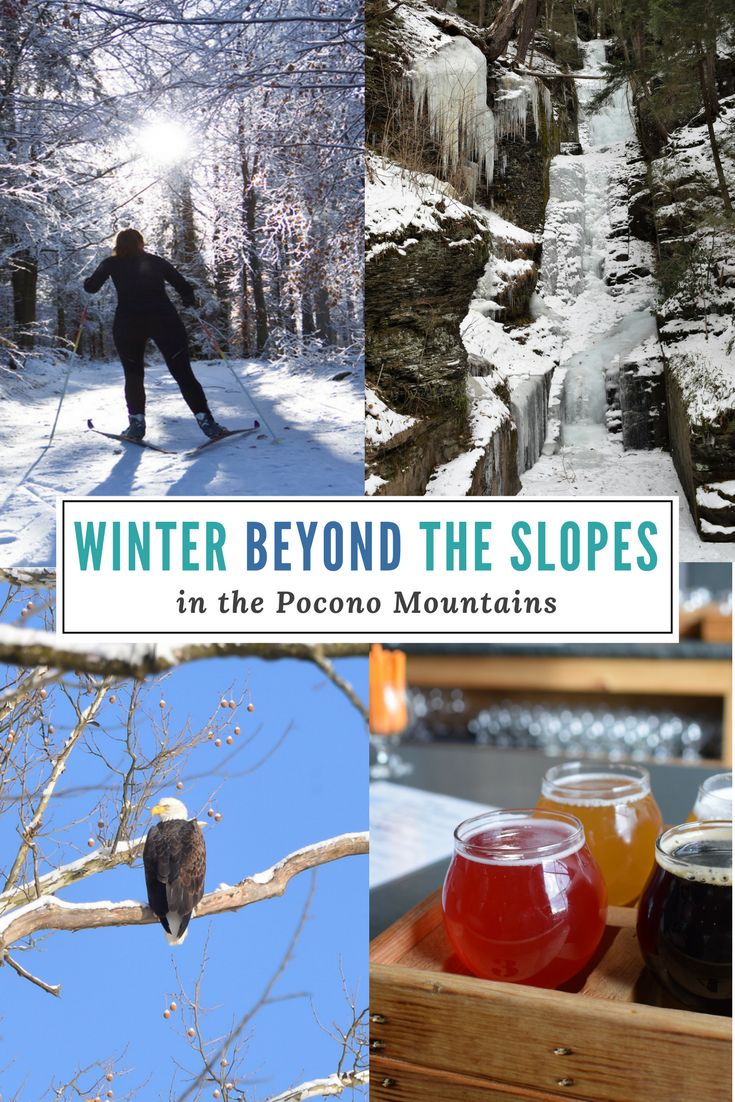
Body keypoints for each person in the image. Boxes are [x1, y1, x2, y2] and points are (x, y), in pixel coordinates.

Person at [83, 228, 226, 441]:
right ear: (141, 243)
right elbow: (182, 285)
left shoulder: (110, 264)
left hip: (128, 323)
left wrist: (88, 282)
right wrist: (187, 299)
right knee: (183, 373)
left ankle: (136, 425)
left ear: (118, 245)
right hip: (164, 320)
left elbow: (91, 288)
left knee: (133, 375)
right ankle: (207, 422)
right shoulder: (156, 261)